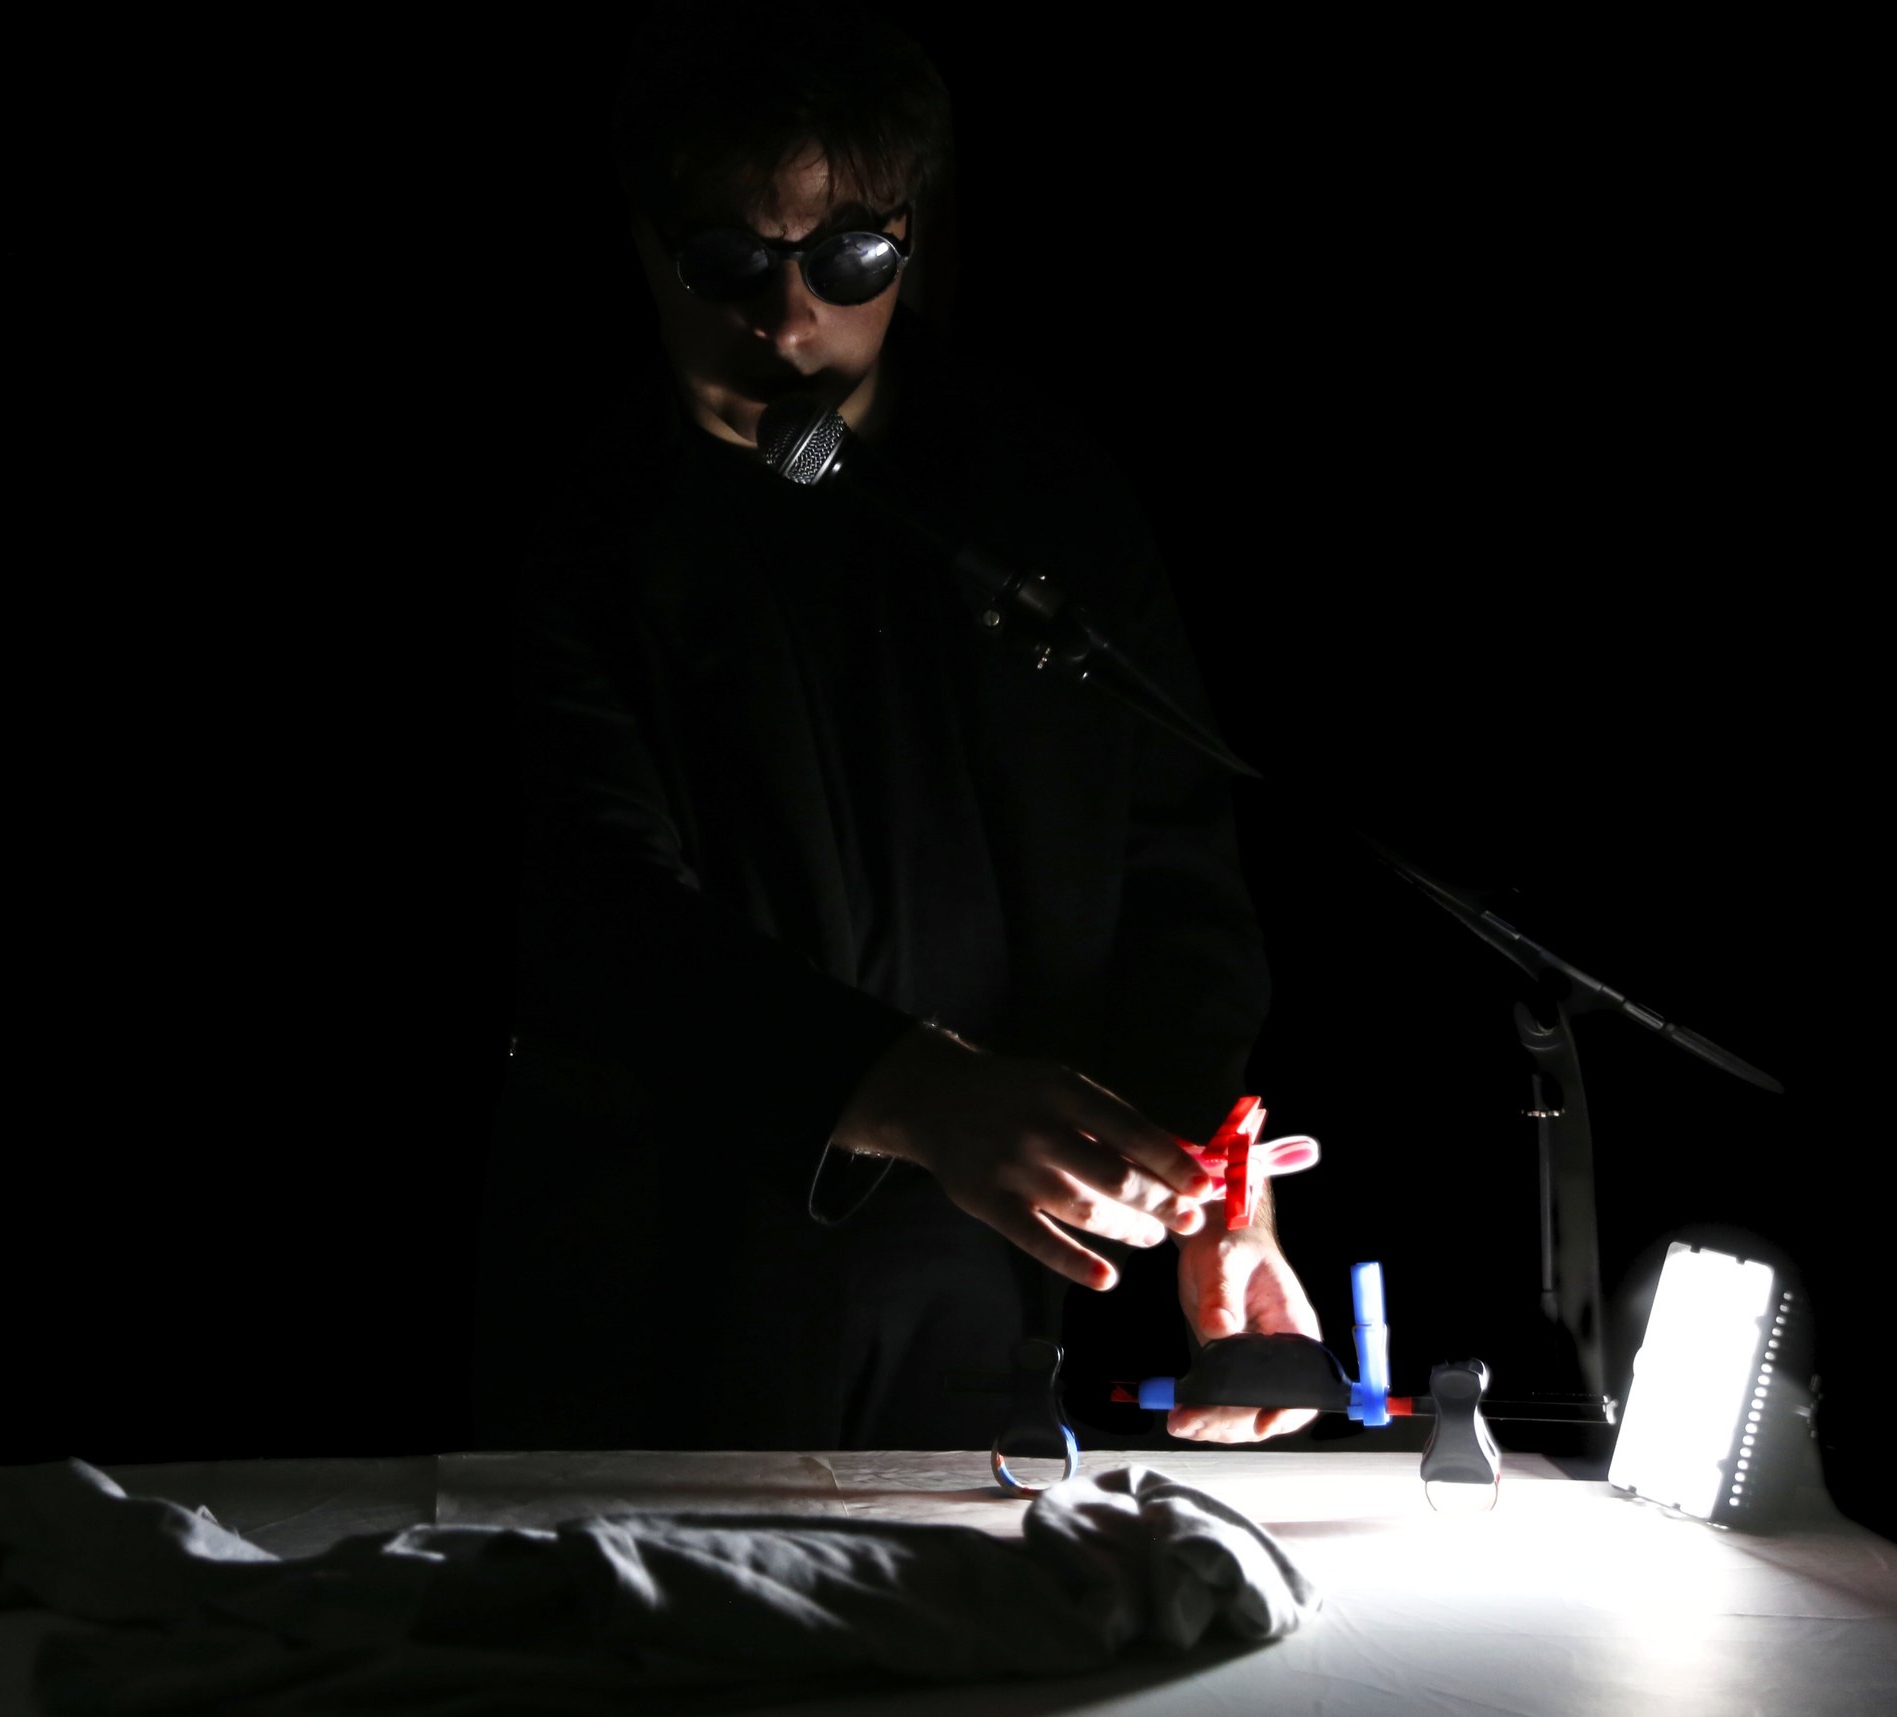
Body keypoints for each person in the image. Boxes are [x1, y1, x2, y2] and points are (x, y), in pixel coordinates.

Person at [471, 2, 1319, 1452]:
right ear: (645, 247)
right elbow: (591, 914)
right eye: (730, 261)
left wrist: (1209, 1194)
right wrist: (917, 1095)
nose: (788, 318)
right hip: (660, 1294)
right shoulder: (576, 530)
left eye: (849, 258)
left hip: (982, 1310)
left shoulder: (1042, 490)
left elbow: (1179, 875)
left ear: (915, 242)